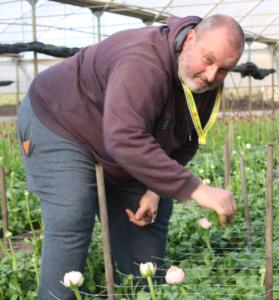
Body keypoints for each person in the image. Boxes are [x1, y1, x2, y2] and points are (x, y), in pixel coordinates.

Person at [16, 14, 244, 299]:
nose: (211, 75)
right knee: (73, 214)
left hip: (121, 139)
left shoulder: (206, 84)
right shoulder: (143, 63)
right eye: (208, 60)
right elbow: (124, 138)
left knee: (145, 232)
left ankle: (141, 293)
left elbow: (189, 139)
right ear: (190, 39)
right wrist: (195, 189)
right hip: (60, 121)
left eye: (224, 69)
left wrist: (155, 189)